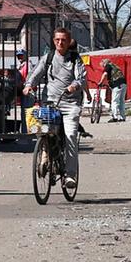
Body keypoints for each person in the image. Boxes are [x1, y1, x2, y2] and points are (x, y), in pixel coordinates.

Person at [26, 28, 88, 172]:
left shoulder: (75, 59)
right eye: (57, 40)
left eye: (64, 40)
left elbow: (82, 78)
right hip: (50, 103)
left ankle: (70, 175)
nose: (60, 42)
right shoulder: (48, 57)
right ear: (54, 41)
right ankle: (45, 154)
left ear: (68, 42)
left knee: (70, 136)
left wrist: (75, 85)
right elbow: (35, 74)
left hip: (70, 103)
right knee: (42, 130)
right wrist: (29, 85)